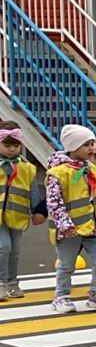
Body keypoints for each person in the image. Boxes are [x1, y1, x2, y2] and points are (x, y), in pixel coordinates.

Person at [45, 124, 96, 314]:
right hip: (70, 229)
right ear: (73, 147)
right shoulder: (57, 173)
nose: (92, 148)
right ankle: (61, 296)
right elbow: (54, 203)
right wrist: (64, 224)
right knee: (66, 264)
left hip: (93, 227)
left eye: (93, 143)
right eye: (86, 144)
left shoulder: (94, 171)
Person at [0, 122, 43, 300]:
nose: (11, 150)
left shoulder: (26, 168)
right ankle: (1, 283)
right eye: (7, 145)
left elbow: (33, 190)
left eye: (16, 146)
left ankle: (12, 281)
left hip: (17, 216)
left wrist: (38, 210)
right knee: (4, 247)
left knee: (15, 250)